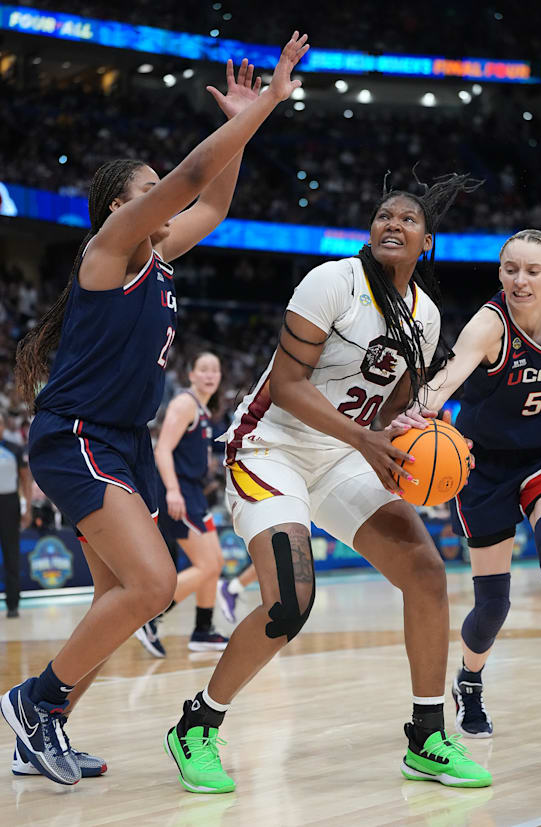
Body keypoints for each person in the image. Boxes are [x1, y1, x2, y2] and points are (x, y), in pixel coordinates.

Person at [1, 34, 310, 788]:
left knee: (119, 595)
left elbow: (216, 195)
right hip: (75, 436)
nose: (165, 198)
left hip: (117, 441)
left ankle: (44, 733)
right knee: (152, 583)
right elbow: (195, 174)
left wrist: (243, 122)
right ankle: (33, 701)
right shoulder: (108, 247)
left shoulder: (161, 260)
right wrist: (265, 105)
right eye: (150, 188)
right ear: (123, 204)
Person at [164, 172, 493, 795]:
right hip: (270, 447)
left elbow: (396, 412)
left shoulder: (425, 316)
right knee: (290, 600)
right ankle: (197, 725)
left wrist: (438, 445)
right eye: (383, 215)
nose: (393, 223)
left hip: (343, 454)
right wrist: (364, 440)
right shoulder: (332, 281)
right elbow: (288, 387)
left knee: (426, 572)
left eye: (409, 219)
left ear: (427, 244)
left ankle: (427, 736)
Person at [394, 228, 541, 744]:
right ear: (500, 274)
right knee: (494, 604)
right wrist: (411, 416)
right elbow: (446, 381)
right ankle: (469, 681)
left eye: (533, 271)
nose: (520, 280)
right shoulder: (489, 324)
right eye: (511, 270)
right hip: (484, 466)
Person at [135, 351, 229, 656]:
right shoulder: (184, 403)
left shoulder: (202, 408)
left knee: (214, 564)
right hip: (179, 492)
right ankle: (150, 617)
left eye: (215, 370)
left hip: (194, 492)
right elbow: (162, 450)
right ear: (191, 375)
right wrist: (173, 491)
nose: (210, 375)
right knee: (206, 565)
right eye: (203, 369)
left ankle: (203, 630)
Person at [0, 410, 32, 618]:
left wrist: (27, 508)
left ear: (3, 426)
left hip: (8, 503)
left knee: (12, 554)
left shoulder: (14, 449)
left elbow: (25, 480)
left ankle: (13, 605)